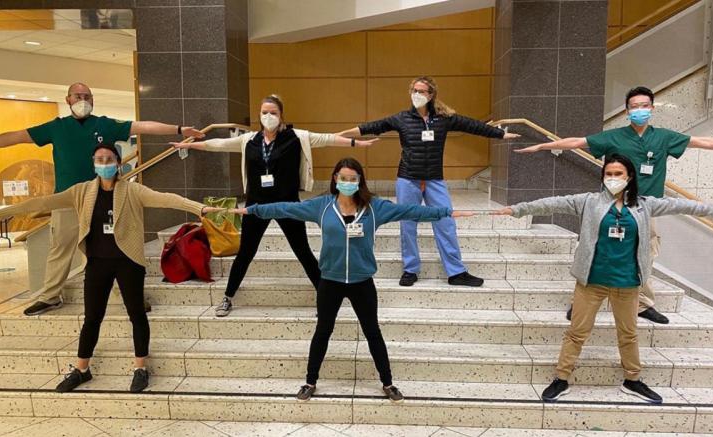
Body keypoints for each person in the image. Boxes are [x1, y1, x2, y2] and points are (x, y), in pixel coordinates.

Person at [227, 158, 474, 402]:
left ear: (359, 181)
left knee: (373, 333)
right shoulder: (321, 206)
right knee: (323, 331)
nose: (347, 182)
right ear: (335, 179)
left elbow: (411, 210)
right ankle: (310, 381)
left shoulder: (375, 208)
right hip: (330, 282)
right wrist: (253, 210)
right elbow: (285, 208)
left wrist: (446, 212)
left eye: (352, 179)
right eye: (343, 178)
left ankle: (388, 383)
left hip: (362, 283)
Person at [494, 154, 713, 404]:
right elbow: (552, 203)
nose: (613, 178)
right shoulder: (588, 202)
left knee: (628, 334)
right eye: (608, 173)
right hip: (591, 281)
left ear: (629, 177)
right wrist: (517, 210)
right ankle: (561, 378)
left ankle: (632, 379)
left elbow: (685, 206)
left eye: (618, 174)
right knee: (577, 332)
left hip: (627, 283)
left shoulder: (644, 205)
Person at [0, 144, 222, 393]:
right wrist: (0, 212)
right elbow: (45, 201)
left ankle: (140, 368)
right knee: (91, 319)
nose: (105, 163)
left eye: (109, 159)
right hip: (97, 263)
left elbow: (167, 199)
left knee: (136, 315)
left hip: (128, 262)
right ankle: (82, 370)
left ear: (118, 163)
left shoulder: (132, 190)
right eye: (100, 159)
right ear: (93, 163)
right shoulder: (82, 192)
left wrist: (200, 208)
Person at [515, 86, 713, 324]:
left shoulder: (664, 137)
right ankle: (579, 302)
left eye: (644, 106)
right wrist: (542, 146)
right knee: (595, 251)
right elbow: (578, 142)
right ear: (628, 111)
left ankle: (642, 304)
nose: (639, 110)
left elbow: (702, 142)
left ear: (652, 108)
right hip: (610, 206)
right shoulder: (614, 137)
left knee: (646, 254)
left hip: (647, 209)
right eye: (634, 107)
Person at [0, 82, 205, 316]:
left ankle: (132, 298)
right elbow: (16, 137)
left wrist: (179, 129)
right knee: (60, 249)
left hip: (102, 198)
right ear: (68, 99)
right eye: (78, 96)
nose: (83, 100)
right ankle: (50, 297)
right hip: (69, 199)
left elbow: (143, 126)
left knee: (113, 250)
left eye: (88, 96)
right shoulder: (55, 128)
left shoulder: (104, 124)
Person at [172, 95, 378, 317]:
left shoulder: (296, 137)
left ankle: (324, 298)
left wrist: (357, 143)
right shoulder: (249, 140)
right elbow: (219, 145)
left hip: (288, 205)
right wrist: (190, 145)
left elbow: (327, 138)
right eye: (264, 113)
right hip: (256, 206)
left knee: (303, 252)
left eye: (273, 113)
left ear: (281, 116)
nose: (268, 117)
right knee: (245, 253)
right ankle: (227, 297)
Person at [337, 76, 520, 287]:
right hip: (408, 179)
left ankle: (456, 272)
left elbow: (473, 125)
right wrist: (338, 135)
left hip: (434, 179)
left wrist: (500, 135)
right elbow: (371, 126)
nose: (417, 94)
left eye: (422, 91)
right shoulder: (401, 118)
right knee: (408, 224)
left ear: (431, 95)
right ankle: (410, 270)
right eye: (414, 90)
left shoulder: (444, 118)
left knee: (445, 221)